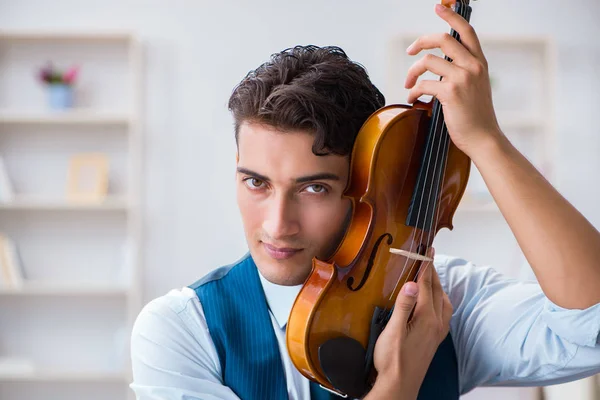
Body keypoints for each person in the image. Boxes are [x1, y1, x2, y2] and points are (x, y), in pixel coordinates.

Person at [129, 3, 600, 400]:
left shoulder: (439, 302)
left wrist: (486, 140)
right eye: (256, 183)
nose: (277, 224)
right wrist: (396, 384)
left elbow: (590, 329)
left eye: (315, 189)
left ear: (367, 185)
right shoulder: (182, 330)